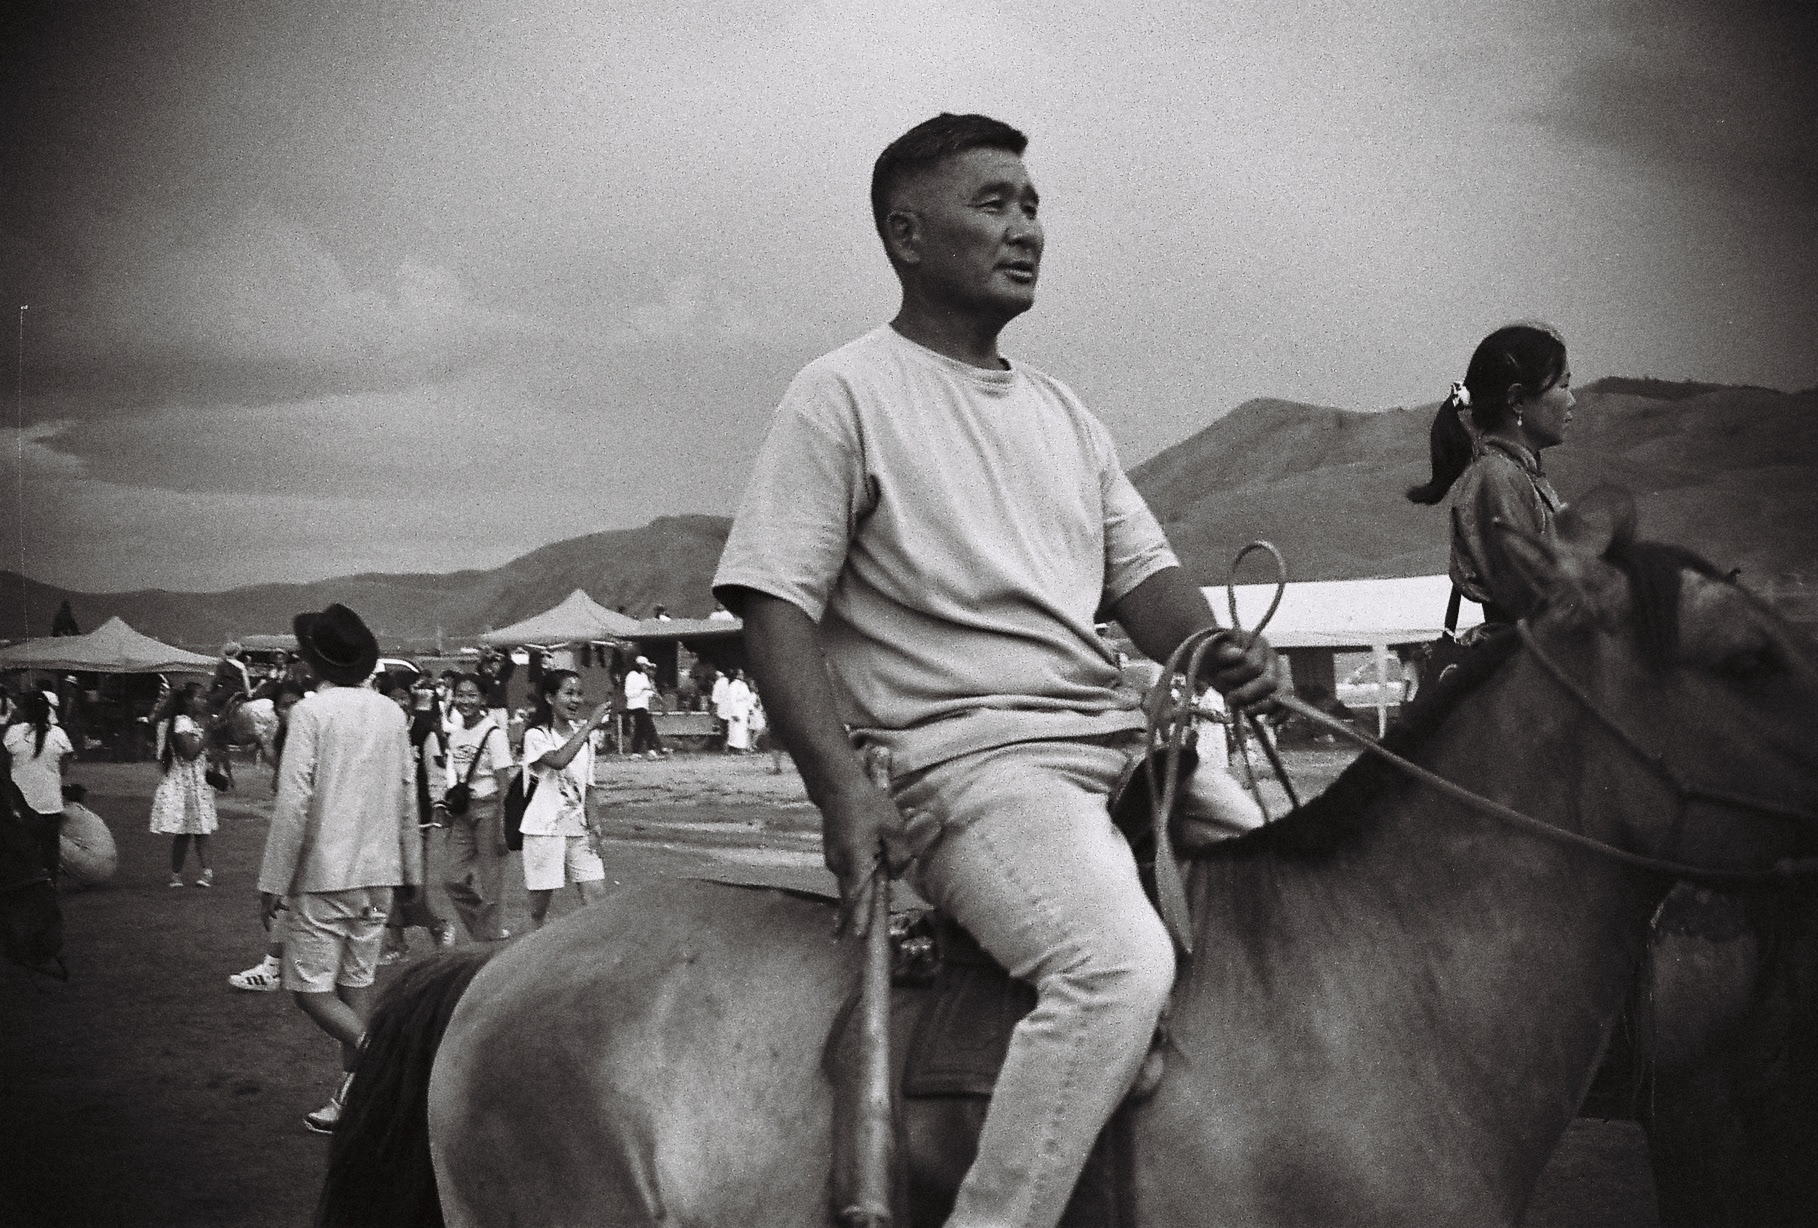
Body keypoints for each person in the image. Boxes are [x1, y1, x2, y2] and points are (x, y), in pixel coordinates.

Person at [711, 114, 1280, 1228]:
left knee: (1294, 914)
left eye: (1032, 204)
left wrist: (1216, 647)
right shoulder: (842, 393)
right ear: (908, 234)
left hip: (1116, 752)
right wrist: (840, 791)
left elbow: (1146, 577)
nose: (1028, 228)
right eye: (995, 203)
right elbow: (772, 606)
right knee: (1114, 967)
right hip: (968, 768)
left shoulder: (1066, 411)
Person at [256, 603, 421, 1134]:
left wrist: (272, 881)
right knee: (356, 987)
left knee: (311, 992)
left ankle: (385, 1063)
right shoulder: (391, 714)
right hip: (380, 873)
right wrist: (411, 874)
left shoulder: (309, 713)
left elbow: (294, 803)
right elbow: (407, 799)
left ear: (310, 661)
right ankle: (355, 1099)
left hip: (325, 873)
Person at [1406, 322, 1575, 631]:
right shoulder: (1497, 477)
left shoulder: (1517, 474)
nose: (1572, 400)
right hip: (1527, 664)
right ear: (1517, 401)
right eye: (1563, 386)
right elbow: (1531, 597)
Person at [229, 679, 309, 993]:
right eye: (282, 705)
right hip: (300, 825)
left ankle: (274, 967)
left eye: (293, 702)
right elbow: (281, 784)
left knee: (295, 895)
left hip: (311, 829)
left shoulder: (311, 735)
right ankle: (275, 965)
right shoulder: (285, 736)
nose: (288, 711)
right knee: (296, 897)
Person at [518, 670, 614, 929]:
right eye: (568, 693)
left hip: (579, 831)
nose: (575, 700)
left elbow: (588, 787)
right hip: (544, 831)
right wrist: (589, 725)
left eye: (579, 694)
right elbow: (559, 761)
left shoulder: (585, 739)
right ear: (550, 698)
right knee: (538, 909)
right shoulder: (536, 735)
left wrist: (595, 827)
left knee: (597, 900)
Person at [373, 675, 456, 963]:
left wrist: (439, 804)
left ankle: (438, 926)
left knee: (412, 883)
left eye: (404, 697)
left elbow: (436, 771)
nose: (399, 703)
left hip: (415, 818)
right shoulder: (377, 731)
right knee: (386, 884)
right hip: (382, 817)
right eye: (393, 697)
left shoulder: (422, 731)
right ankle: (397, 944)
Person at [441, 673, 515, 942]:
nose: (465, 701)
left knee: (491, 884)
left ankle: (488, 941)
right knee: (451, 878)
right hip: (463, 812)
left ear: (483, 699)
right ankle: (486, 931)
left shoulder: (493, 734)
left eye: (472, 695)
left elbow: (504, 782)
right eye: (460, 695)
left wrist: (503, 826)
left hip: (490, 810)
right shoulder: (456, 735)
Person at [148, 683, 218, 888]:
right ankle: (178, 873)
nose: (204, 701)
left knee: (199, 829)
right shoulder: (181, 723)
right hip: (186, 782)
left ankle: (203, 872)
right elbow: (190, 752)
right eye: (200, 698)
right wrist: (206, 733)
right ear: (188, 700)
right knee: (185, 830)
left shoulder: (192, 722)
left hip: (196, 782)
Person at [5, 689, 75, 883]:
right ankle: (50, 886)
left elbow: (6, 763)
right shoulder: (59, 734)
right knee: (49, 850)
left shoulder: (13, 733)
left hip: (21, 804)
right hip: (50, 803)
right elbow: (63, 768)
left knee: (23, 850)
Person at [623, 657, 664, 759]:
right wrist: (640, 690)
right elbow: (628, 693)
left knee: (640, 730)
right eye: (644, 665)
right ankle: (652, 750)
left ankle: (635, 752)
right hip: (635, 706)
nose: (646, 667)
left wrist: (652, 694)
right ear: (639, 665)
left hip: (643, 705)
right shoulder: (631, 676)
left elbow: (647, 690)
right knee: (649, 727)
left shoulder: (644, 676)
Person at [722, 668, 756, 752]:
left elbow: (748, 698)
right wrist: (733, 713)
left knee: (742, 730)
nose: (741, 676)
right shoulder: (733, 685)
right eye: (740, 674)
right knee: (735, 730)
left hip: (743, 709)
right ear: (736, 675)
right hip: (736, 709)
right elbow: (731, 700)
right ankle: (731, 748)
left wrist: (750, 708)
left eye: (742, 674)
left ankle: (741, 748)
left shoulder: (744, 685)